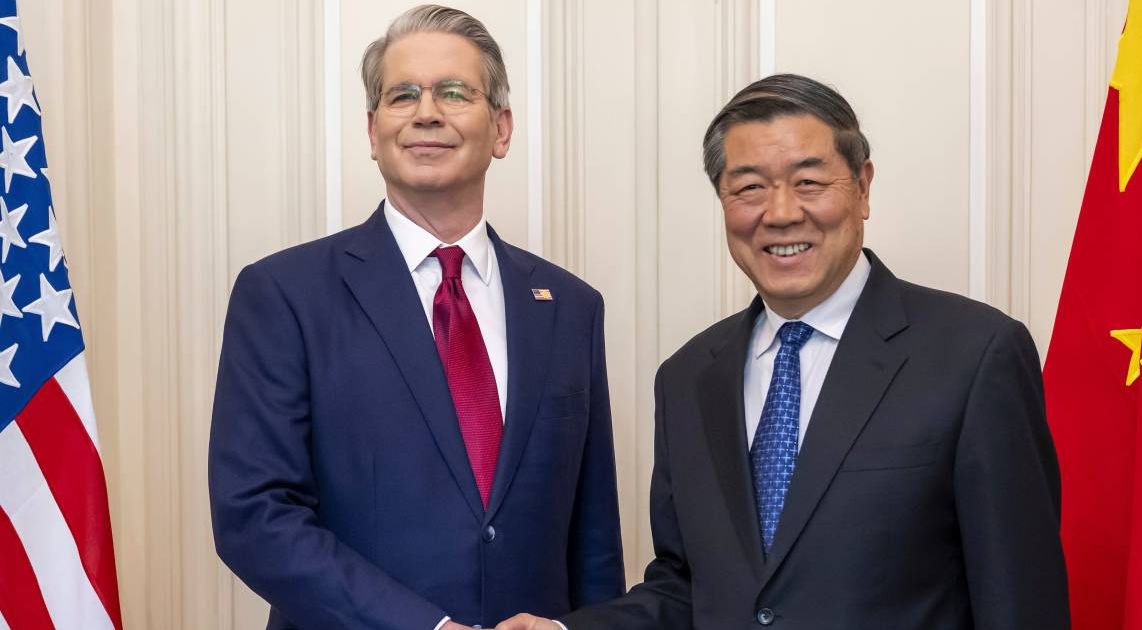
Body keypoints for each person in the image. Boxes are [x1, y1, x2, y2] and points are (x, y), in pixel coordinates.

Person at [499, 74, 1068, 630]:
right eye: (748, 187)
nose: (780, 213)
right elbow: (688, 587)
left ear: (863, 187)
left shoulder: (976, 353)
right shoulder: (688, 377)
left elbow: (1018, 597)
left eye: (810, 182)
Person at [209, 6, 624, 629]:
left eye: (454, 92)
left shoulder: (569, 306)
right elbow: (254, 516)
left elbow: (592, 536)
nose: (427, 112)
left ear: (501, 128)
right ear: (374, 130)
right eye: (402, 95)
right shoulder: (284, 294)